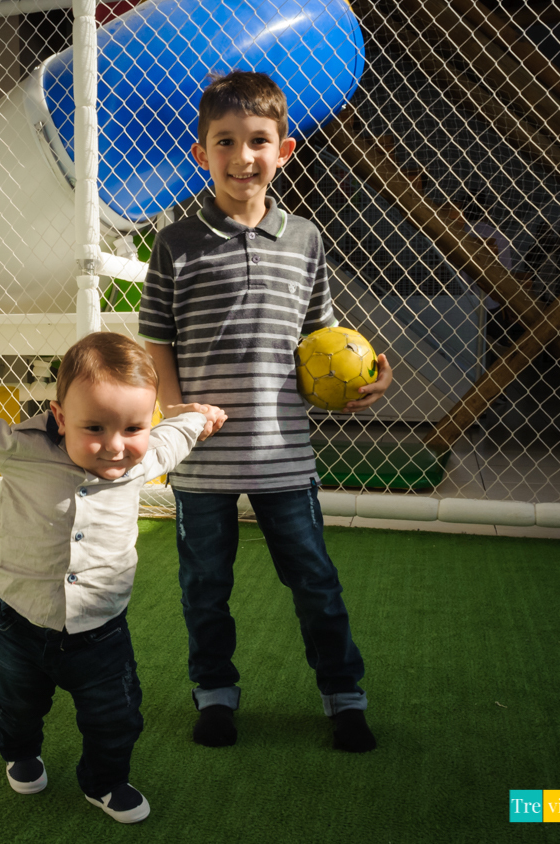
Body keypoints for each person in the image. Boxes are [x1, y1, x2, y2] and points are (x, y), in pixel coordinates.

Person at [137, 70, 393, 753]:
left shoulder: (306, 240)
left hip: (285, 454)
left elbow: (326, 342)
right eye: (226, 142)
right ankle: (214, 694)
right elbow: (156, 336)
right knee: (204, 586)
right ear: (202, 153)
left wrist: (367, 373)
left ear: (285, 150)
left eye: (258, 141)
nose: (242, 156)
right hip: (202, 457)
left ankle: (344, 696)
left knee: (314, 579)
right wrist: (170, 407)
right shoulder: (176, 243)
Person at [0, 332, 226, 823]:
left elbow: (174, 435)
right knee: (16, 705)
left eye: (132, 427)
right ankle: (21, 753)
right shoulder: (21, 447)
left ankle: (104, 781)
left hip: (101, 631)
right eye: (94, 428)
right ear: (60, 417)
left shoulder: (142, 456)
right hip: (21, 624)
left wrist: (199, 417)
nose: (114, 446)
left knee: (116, 716)